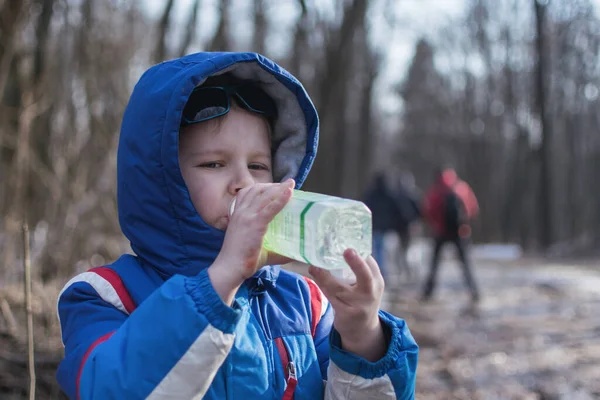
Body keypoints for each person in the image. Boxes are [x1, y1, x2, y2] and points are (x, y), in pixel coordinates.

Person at [56, 52, 418, 400]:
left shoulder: (307, 305)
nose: (245, 183)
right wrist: (222, 278)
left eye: (259, 166)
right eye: (214, 164)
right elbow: (111, 389)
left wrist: (361, 336)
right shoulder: (106, 295)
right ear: (162, 182)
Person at [421, 167, 480, 302]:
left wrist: (435, 225)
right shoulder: (462, 188)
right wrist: (465, 223)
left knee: (434, 264)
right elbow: (473, 207)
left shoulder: (436, 190)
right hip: (460, 232)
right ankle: (474, 291)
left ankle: (428, 292)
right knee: (465, 264)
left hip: (440, 232)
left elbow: (427, 210)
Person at [363, 172, 403, 279]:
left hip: (374, 226)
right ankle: (382, 272)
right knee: (384, 250)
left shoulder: (372, 194)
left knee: (377, 249)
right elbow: (397, 209)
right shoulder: (389, 194)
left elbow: (365, 206)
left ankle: (378, 271)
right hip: (386, 227)